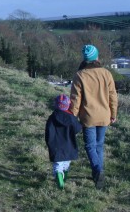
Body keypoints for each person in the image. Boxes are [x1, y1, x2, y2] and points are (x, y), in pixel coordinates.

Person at [69, 44, 118, 190]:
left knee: (90, 146)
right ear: (96, 57)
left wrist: (72, 116)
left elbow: (75, 99)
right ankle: (98, 174)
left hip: (88, 117)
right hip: (104, 115)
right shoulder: (106, 73)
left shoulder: (80, 75)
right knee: (99, 146)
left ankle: (98, 170)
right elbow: (113, 96)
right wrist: (113, 113)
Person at [45, 94, 82, 189]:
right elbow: (77, 129)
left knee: (58, 164)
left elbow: (48, 132)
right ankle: (64, 176)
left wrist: (48, 142)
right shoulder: (71, 118)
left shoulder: (52, 117)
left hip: (56, 145)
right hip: (69, 145)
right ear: (68, 105)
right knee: (66, 163)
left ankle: (58, 174)